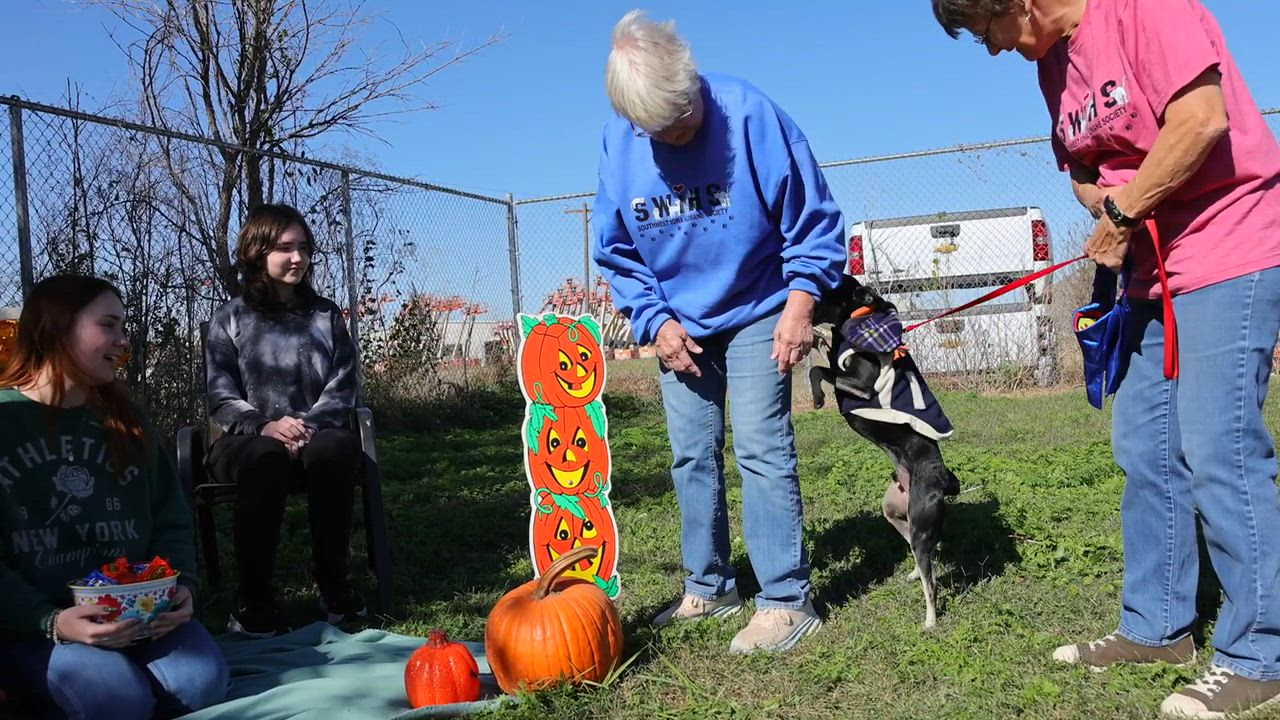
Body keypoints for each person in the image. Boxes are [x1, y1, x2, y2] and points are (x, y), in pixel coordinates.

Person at [931, 0, 1280, 716]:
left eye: (987, 31)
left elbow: (1202, 120)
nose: (992, 50)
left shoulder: (1144, 10)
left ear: (1017, 3)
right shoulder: (1052, 63)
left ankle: (1261, 653)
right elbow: (1081, 169)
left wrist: (1124, 211)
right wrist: (1108, 203)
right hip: (1150, 269)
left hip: (1229, 242)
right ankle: (1157, 629)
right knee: (1146, 446)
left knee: (1220, 449)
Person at [592, 10, 846, 654]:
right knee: (691, 454)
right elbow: (618, 251)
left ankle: (786, 599)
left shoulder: (750, 113)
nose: (676, 135)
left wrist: (800, 306)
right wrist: (655, 321)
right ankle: (709, 586)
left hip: (761, 305)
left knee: (761, 447)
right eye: (659, 130)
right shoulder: (619, 144)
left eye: (683, 117)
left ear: (692, 80)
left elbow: (813, 221)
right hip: (679, 323)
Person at [0, 274, 228, 719]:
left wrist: (183, 586)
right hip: (38, 627)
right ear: (56, 327)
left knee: (200, 685)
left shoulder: (127, 422)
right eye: (108, 325)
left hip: (144, 616)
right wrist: (51, 621)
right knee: (116, 699)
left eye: (123, 327)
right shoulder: (6, 420)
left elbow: (170, 520)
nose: (123, 342)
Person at [206, 203, 366, 637]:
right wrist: (265, 426)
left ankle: (334, 588)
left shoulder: (326, 316)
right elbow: (220, 395)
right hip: (247, 439)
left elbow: (343, 385)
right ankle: (255, 601)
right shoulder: (229, 319)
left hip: (317, 432)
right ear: (257, 253)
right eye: (285, 248)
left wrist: (307, 426)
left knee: (335, 450)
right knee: (266, 458)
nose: (298, 258)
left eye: (304, 248)